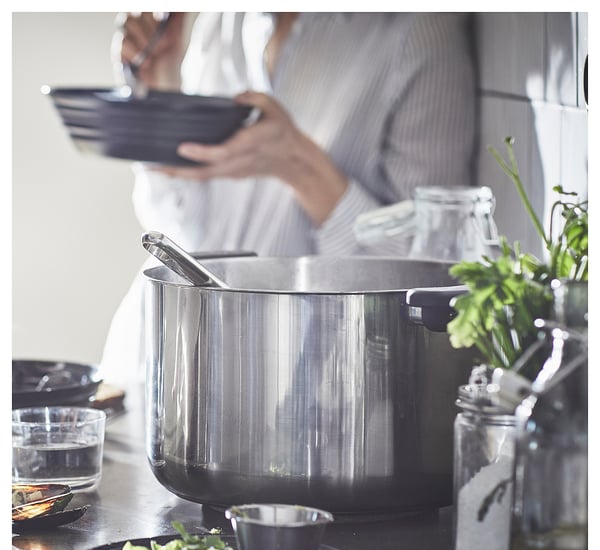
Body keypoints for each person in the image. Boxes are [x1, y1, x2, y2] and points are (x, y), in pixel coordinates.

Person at [101, 12, 477, 387]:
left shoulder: (419, 28)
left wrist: (299, 165)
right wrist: (162, 104)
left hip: (305, 386)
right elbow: (177, 227)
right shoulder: (221, 19)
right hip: (161, 358)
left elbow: (426, 273)